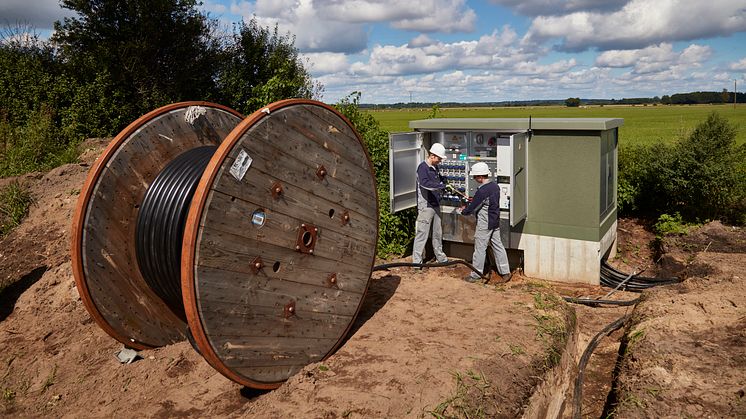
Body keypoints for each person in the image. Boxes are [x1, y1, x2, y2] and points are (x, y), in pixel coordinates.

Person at [459, 162, 511, 283]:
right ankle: (505, 272)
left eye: (475, 177)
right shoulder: (495, 186)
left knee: (480, 248)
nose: (474, 179)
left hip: (485, 223)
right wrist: (475, 200)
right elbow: (485, 201)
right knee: (498, 246)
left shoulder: (482, 191)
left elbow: (472, 208)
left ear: (480, 176)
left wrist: (463, 211)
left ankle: (476, 274)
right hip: (494, 221)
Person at [412, 142, 450, 267]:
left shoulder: (435, 168)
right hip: (426, 206)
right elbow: (425, 184)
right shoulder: (422, 167)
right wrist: (441, 185)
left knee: (437, 233)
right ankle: (417, 262)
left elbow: (438, 180)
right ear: (432, 156)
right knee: (422, 234)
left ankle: (441, 257)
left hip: (435, 204)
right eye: (439, 158)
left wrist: (444, 181)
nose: (440, 161)